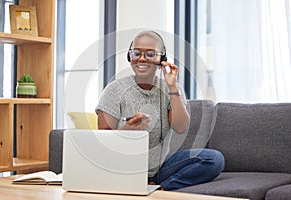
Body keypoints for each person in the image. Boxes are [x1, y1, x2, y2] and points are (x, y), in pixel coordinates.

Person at [95, 30, 225, 190]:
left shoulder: (170, 88)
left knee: (213, 159)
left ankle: (160, 188)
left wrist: (172, 86)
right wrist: (127, 131)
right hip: (124, 169)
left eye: (150, 54)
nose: (141, 59)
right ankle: (144, 184)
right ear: (130, 57)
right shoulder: (114, 89)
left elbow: (181, 127)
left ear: (161, 59)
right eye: (136, 53)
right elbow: (103, 143)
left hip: (160, 169)